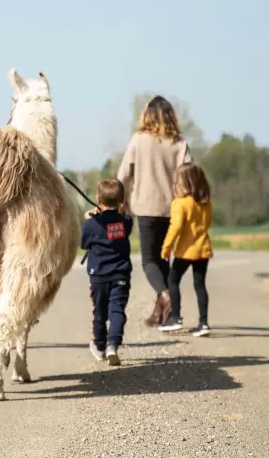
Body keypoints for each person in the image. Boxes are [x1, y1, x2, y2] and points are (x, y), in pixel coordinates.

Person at [116, 96, 192, 328]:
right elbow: (189, 175)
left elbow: (124, 174)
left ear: (147, 116)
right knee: (163, 259)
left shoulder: (139, 140)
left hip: (146, 206)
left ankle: (164, 295)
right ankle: (163, 314)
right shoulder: (179, 143)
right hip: (173, 208)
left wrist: (120, 200)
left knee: (149, 261)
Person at [81, 179, 133, 367]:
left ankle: (100, 346)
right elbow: (123, 219)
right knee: (117, 310)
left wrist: (90, 218)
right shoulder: (126, 222)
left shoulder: (91, 224)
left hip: (98, 276)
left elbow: (83, 244)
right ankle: (113, 345)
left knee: (100, 312)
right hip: (121, 275)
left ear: (98, 199)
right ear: (122, 199)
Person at [159, 162, 213, 336]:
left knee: (173, 280)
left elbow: (175, 227)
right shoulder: (205, 203)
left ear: (184, 182)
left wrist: (166, 248)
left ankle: (176, 318)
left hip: (186, 250)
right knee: (200, 285)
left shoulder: (180, 203)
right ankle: (203, 323)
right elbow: (207, 223)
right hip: (203, 248)